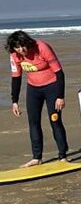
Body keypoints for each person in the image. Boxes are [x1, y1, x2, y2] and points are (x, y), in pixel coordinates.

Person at [6, 30, 69, 166]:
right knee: (33, 122)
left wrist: (60, 96)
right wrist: (14, 101)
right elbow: (16, 78)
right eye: (17, 47)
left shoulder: (42, 47)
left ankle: (63, 156)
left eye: (23, 45)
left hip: (52, 86)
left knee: (55, 121)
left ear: (27, 42)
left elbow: (59, 72)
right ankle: (37, 157)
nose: (21, 49)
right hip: (33, 89)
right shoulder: (14, 55)